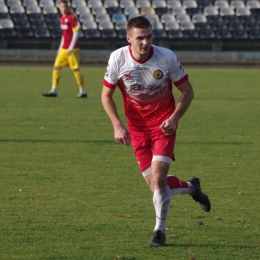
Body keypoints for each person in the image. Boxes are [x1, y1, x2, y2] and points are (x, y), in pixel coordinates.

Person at [101, 16, 211, 247]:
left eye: (149, 36)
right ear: (128, 38)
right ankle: (192, 188)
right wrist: (117, 125)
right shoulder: (118, 59)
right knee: (156, 188)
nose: (145, 42)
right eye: (140, 38)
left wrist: (174, 118)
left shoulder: (166, 57)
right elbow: (106, 95)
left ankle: (159, 232)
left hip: (163, 125)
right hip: (137, 129)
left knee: (159, 180)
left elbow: (187, 92)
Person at [43, 0, 87, 98]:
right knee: (56, 67)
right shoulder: (62, 18)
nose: (64, 8)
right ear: (59, 7)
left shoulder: (71, 18)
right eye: (62, 7)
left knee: (75, 70)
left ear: (69, 7)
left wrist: (71, 47)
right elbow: (64, 35)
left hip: (72, 49)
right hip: (64, 49)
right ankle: (53, 90)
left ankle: (83, 91)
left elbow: (76, 33)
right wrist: (60, 47)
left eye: (65, 7)